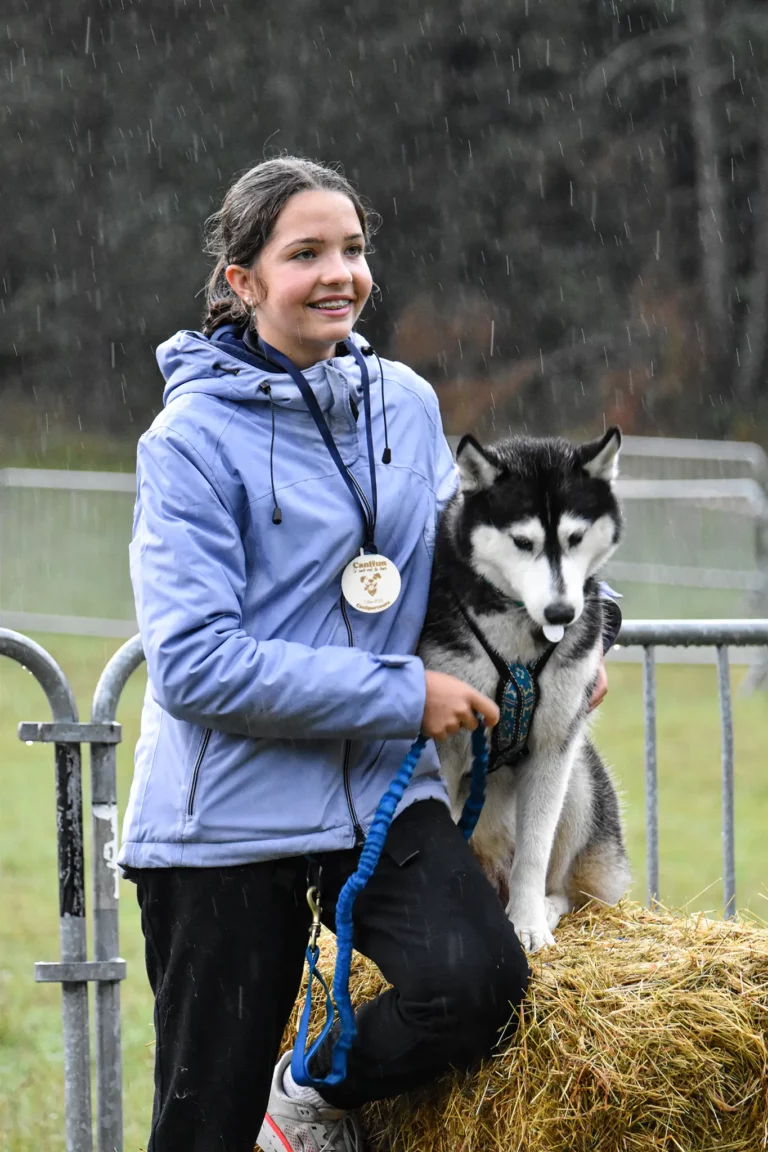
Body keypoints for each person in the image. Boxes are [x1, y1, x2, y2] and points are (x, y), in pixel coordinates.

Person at [118, 156, 608, 1152]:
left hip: (379, 795)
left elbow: (470, 561)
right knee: (200, 1124)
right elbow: (195, 666)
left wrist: (569, 641)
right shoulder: (187, 441)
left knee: (476, 986)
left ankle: (301, 1094)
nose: (340, 272)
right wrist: (401, 691)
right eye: (306, 254)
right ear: (244, 281)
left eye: (353, 248)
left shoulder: (404, 404)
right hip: (226, 819)